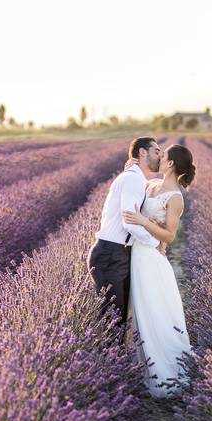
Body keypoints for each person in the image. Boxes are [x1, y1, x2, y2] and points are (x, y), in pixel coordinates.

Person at [121, 143, 196, 398]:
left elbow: (170, 235)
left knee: (153, 313)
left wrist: (144, 221)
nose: (159, 158)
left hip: (151, 260)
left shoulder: (175, 197)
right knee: (136, 312)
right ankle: (136, 371)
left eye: (163, 156)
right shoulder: (151, 185)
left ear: (171, 163)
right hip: (136, 255)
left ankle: (165, 376)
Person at [87, 136, 162, 342]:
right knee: (113, 320)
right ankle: (107, 368)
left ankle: (115, 366)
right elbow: (129, 221)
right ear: (142, 153)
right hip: (110, 254)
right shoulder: (131, 179)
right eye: (157, 151)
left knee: (120, 319)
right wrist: (154, 242)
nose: (160, 155)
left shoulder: (136, 179)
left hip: (119, 253)